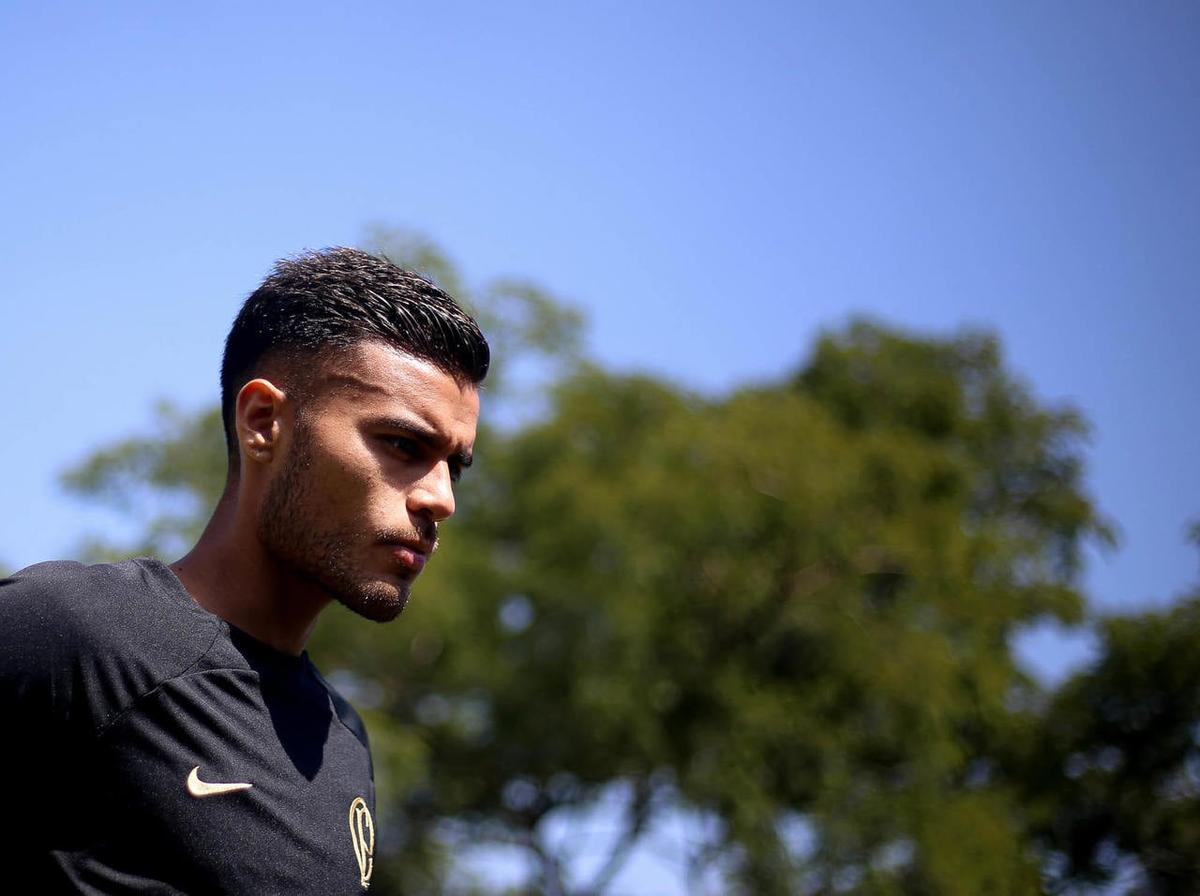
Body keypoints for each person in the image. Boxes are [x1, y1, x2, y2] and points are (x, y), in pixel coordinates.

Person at [0, 248, 489, 894]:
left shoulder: (342, 745)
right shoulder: (68, 634)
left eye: (453, 465)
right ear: (264, 423)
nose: (440, 499)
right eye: (404, 445)